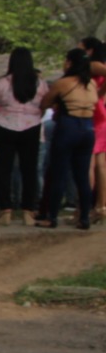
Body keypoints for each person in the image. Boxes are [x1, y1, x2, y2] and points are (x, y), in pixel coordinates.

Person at [37, 48, 97, 230]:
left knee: (59, 173)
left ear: (70, 63)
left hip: (68, 127)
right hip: (88, 129)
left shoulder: (63, 83)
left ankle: (52, 217)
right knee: (82, 176)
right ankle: (84, 218)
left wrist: (57, 104)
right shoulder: (91, 84)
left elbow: (44, 103)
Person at [0, 48, 47, 226]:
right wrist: (33, 116)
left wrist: (1, 116)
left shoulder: (2, 83)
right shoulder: (40, 84)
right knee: (29, 170)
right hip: (31, 127)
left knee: (3, 169)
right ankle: (28, 210)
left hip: (4, 126)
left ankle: (5, 210)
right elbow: (44, 105)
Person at [79, 38, 106, 222]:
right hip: (100, 112)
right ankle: (101, 206)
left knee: (88, 163)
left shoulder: (93, 65)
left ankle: (85, 208)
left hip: (93, 112)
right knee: (101, 164)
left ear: (89, 50)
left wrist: (97, 94)